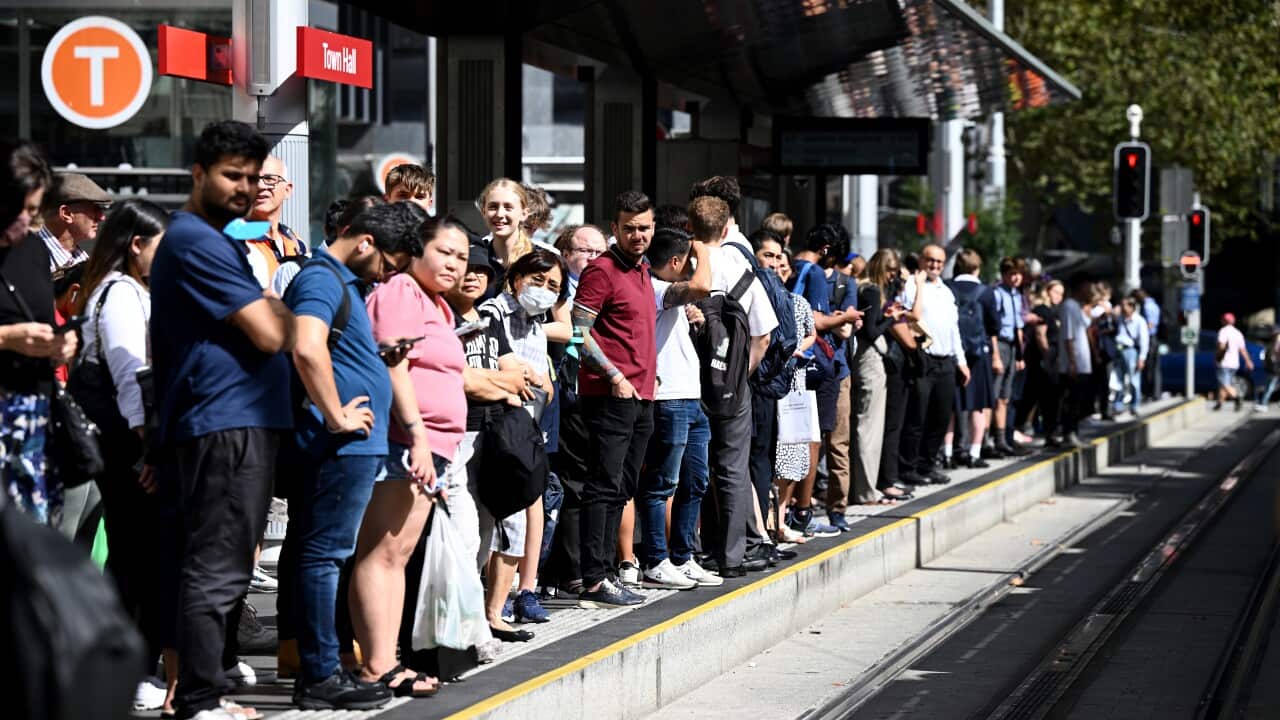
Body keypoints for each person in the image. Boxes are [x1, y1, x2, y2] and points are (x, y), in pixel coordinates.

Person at [150, 121, 294, 720]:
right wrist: (291, 315)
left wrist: (276, 310)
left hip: (231, 419)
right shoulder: (198, 241)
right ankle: (198, 698)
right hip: (223, 421)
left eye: (254, 178)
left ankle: (202, 691)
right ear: (198, 175)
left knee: (222, 564)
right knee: (217, 566)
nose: (244, 189)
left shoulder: (213, 240)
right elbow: (270, 330)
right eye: (232, 175)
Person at [283, 201, 427, 709]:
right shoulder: (322, 279)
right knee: (324, 558)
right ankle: (320, 674)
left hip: (352, 447)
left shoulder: (345, 284)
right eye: (388, 264)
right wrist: (336, 414)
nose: (389, 276)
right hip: (341, 445)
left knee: (324, 557)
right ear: (365, 242)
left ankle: (323, 668)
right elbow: (305, 345)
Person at [71, 198, 170, 709]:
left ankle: (126, 668)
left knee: (133, 555)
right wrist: (146, 447)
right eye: (160, 245)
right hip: (125, 441)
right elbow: (133, 378)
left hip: (123, 440)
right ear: (136, 246)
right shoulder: (122, 294)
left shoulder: (118, 290)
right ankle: (126, 671)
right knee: (135, 557)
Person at [444, 239, 537, 642]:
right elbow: (462, 381)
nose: (474, 278)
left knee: (487, 533)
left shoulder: (487, 317)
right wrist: (504, 384)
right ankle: (457, 627)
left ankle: (483, 619)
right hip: (456, 437)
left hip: (492, 439)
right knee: (463, 535)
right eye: (468, 270)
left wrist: (507, 380)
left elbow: (513, 367)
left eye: (482, 272)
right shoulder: (441, 317)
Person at [572, 190, 658, 607]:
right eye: (629, 229)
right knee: (604, 485)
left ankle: (606, 572)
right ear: (615, 229)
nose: (637, 235)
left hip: (642, 395)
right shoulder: (601, 270)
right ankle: (594, 576)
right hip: (611, 393)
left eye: (644, 228)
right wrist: (614, 376)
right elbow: (578, 332)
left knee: (623, 486)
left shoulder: (641, 269)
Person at [686, 194, 778, 577]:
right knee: (733, 468)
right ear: (726, 229)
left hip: (690, 381)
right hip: (733, 386)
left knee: (692, 466)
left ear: (689, 227)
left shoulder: (684, 265)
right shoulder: (742, 267)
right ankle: (732, 555)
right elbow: (764, 335)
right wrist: (740, 373)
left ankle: (693, 550)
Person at [476, 248, 565, 624]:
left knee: (518, 519)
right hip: (492, 431)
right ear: (516, 279)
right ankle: (479, 609)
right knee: (484, 529)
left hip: (523, 433)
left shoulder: (535, 323)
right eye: (538, 280)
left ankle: (503, 606)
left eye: (553, 286)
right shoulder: (492, 314)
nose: (544, 290)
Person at [1, 139, 73, 528]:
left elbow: (45, 320)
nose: (29, 221)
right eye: (23, 209)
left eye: (35, 211)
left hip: (34, 417)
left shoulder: (32, 252)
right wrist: (7, 338)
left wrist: (62, 344)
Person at [638, 226, 716, 589]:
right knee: (661, 484)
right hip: (668, 400)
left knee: (695, 481)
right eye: (688, 260)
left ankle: (683, 558)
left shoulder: (670, 295)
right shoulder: (654, 288)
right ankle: (656, 560)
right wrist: (703, 248)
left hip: (691, 398)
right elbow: (702, 286)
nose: (693, 265)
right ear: (675, 261)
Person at [759, 237, 821, 539]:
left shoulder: (799, 302)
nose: (778, 267)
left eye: (782, 263)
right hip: (771, 380)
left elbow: (812, 334)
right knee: (773, 451)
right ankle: (768, 521)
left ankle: (781, 520)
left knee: (793, 451)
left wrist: (797, 347)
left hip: (795, 381)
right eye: (773, 261)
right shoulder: (763, 298)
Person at [899, 244, 970, 486]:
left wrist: (961, 361)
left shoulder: (946, 291)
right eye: (931, 260)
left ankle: (928, 465)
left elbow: (954, 330)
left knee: (939, 418)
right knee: (917, 417)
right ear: (921, 260)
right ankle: (908, 467)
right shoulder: (910, 286)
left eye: (939, 262)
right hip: (923, 358)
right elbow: (907, 318)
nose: (935, 266)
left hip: (946, 361)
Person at [852, 250, 915, 503]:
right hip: (870, 361)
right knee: (869, 427)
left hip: (864, 361)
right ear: (880, 268)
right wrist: (891, 319)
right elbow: (870, 331)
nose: (892, 276)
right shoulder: (871, 291)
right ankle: (866, 490)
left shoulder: (868, 289)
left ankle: (865, 487)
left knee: (869, 425)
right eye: (890, 271)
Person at [945, 248, 998, 469]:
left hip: (952, 354)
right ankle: (974, 453)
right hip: (978, 354)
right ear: (977, 267)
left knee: (950, 406)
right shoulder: (985, 292)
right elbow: (994, 324)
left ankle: (947, 453)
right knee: (977, 406)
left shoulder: (947, 287)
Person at [246, 156, 307, 288]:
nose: (260, 186)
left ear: (287, 190)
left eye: (269, 179)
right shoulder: (234, 240)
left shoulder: (295, 241)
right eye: (253, 179)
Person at [992, 257, 1029, 455]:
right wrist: (995, 354)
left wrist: (1020, 354)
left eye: (1018, 274)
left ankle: (1002, 438)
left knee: (1005, 396)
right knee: (995, 394)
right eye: (1011, 274)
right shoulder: (998, 294)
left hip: (1013, 346)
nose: (1015, 278)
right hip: (1001, 344)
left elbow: (1019, 327)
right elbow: (993, 328)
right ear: (1004, 275)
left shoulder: (1016, 295)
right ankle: (990, 439)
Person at [37, 172, 110, 271]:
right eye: (94, 208)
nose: (102, 217)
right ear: (66, 213)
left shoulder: (83, 260)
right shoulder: (28, 257)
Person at [1057, 273, 1094, 447]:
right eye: (1088, 286)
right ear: (1080, 287)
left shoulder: (1077, 307)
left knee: (1078, 400)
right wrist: (1072, 362)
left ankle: (1074, 433)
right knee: (1071, 400)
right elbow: (1068, 336)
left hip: (1081, 363)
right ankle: (1068, 433)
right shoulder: (1069, 306)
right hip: (1074, 364)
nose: (1091, 291)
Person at [1111, 296, 1149, 417]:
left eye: (1125, 305)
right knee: (1118, 379)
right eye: (1121, 305)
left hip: (1131, 351)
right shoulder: (1120, 318)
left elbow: (1144, 340)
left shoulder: (1139, 321)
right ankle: (1118, 404)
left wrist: (1142, 358)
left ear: (1132, 307)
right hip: (1119, 350)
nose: (1122, 307)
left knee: (1133, 381)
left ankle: (1135, 405)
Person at [553, 223, 607, 303]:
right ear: (566, 255)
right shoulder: (554, 286)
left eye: (599, 252)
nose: (594, 258)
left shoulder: (614, 286)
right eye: (586, 251)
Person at [1214, 312, 1253, 411]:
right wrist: (1248, 361)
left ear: (1224, 321)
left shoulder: (1223, 331)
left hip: (1224, 362)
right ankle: (1219, 403)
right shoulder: (1238, 333)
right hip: (1234, 363)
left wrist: (1217, 357)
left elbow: (1221, 346)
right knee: (1224, 384)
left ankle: (1237, 397)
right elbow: (1242, 350)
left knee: (1224, 383)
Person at [1255, 327, 1280, 411]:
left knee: (1269, 387)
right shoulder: (1272, 345)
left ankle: (1264, 404)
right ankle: (1263, 403)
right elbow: (1267, 357)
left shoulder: (1276, 344)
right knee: (1269, 387)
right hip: (1273, 369)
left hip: (1275, 369)